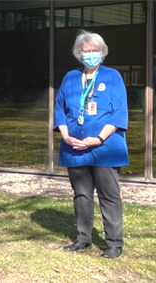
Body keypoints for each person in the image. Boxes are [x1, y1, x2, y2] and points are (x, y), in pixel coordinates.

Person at [53, 30, 129, 259]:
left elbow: (119, 112)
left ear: (103, 52)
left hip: (105, 148)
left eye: (94, 51)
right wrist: (66, 137)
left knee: (109, 196)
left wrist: (99, 138)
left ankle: (114, 244)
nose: (90, 55)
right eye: (86, 51)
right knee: (82, 195)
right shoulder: (69, 78)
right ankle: (83, 237)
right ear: (79, 54)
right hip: (75, 148)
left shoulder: (113, 76)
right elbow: (60, 109)